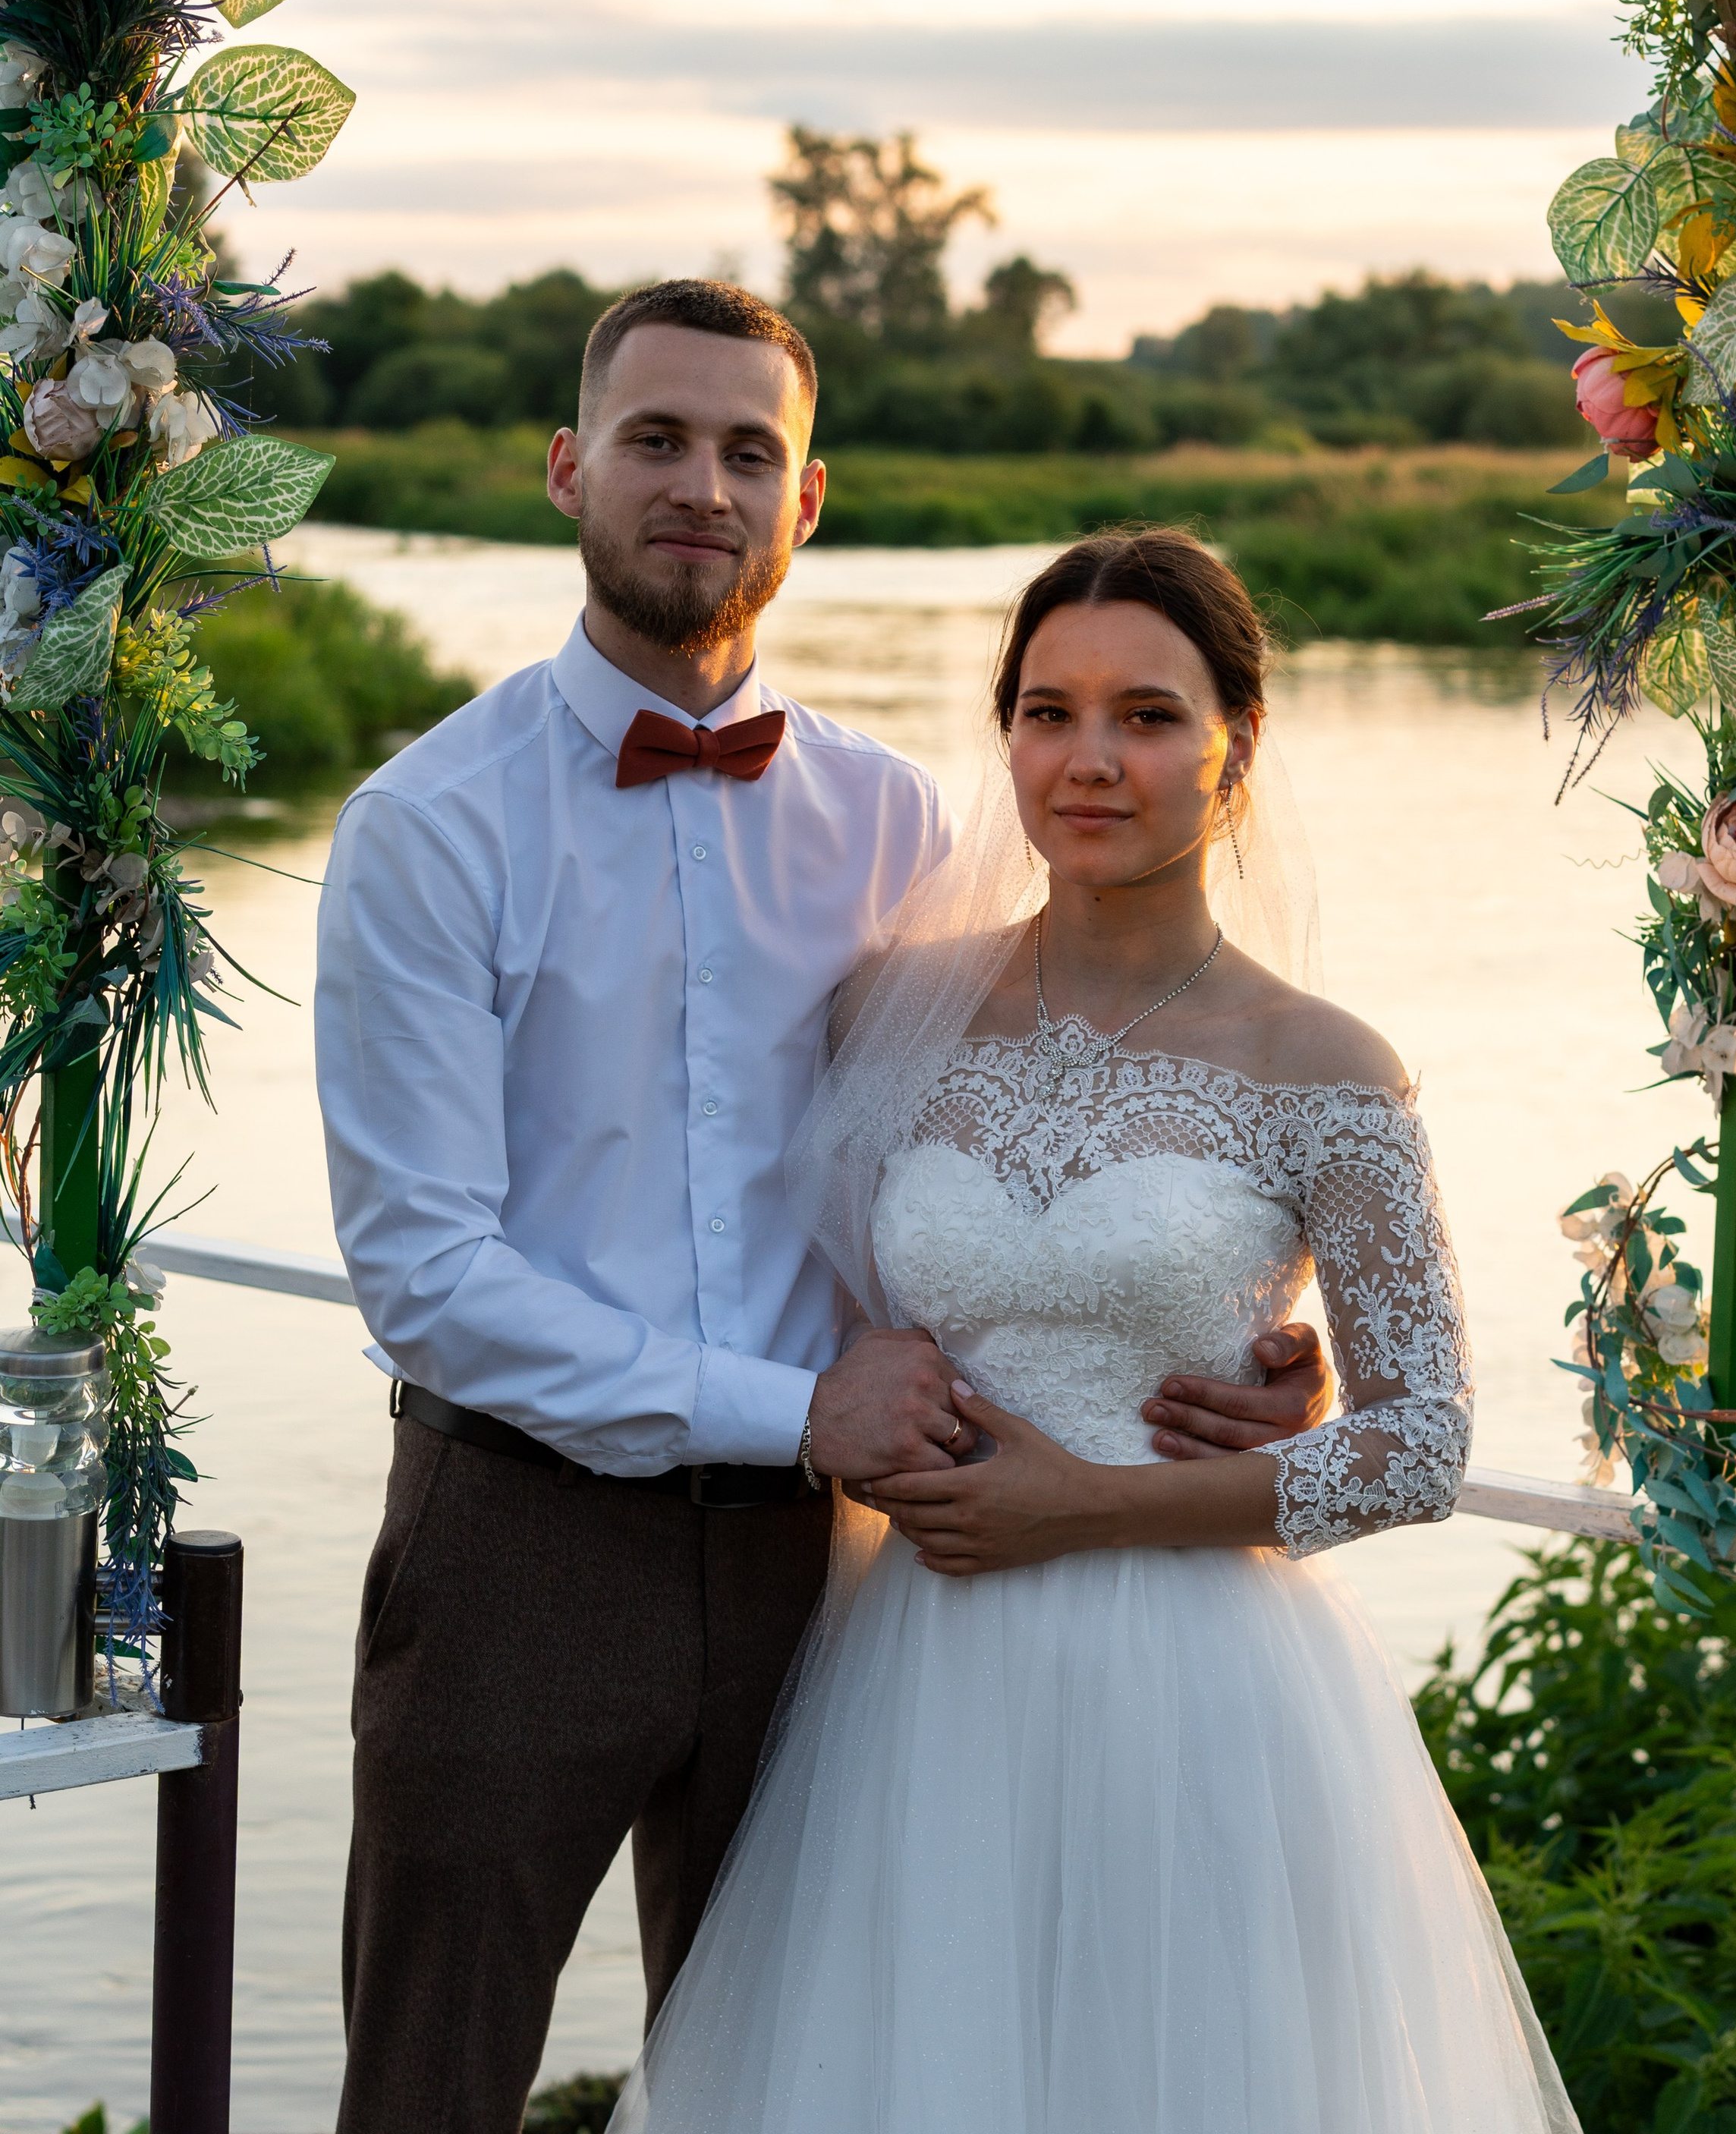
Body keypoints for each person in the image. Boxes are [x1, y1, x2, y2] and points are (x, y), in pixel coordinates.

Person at [314, 285, 1330, 2134]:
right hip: (519, 1551)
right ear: (566, 469)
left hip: (836, 1578)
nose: (699, 487)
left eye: (746, 450)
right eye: (655, 439)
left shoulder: (894, 819)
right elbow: (427, 1278)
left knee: (803, 2087)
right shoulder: (429, 823)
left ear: (807, 500)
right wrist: (797, 1408)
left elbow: (999, 1158)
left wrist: (1225, 1342)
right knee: (428, 2090)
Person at [608, 527, 1580, 2134]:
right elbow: (788, 1290)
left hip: (1197, 1690)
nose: (1089, 760)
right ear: (1003, 737)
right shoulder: (884, 1009)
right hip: (914, 1679)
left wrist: (1097, 1500)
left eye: (1147, 715)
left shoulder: (1327, 1066)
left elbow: (1421, 1447)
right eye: (1047, 712)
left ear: (1235, 747)